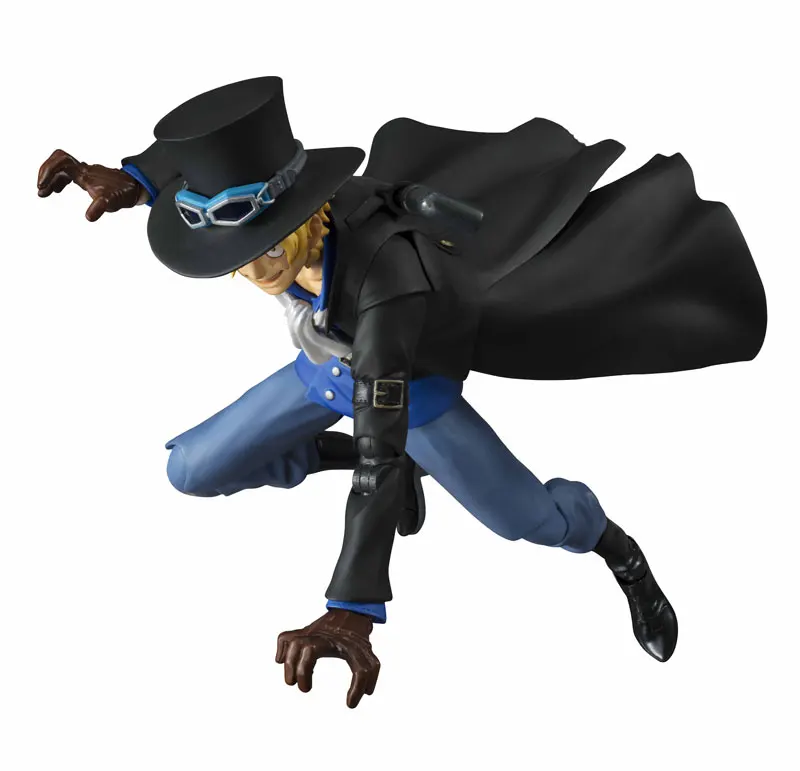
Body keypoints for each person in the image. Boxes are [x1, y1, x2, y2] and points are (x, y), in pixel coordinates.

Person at [37, 76, 767, 708]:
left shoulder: (387, 277)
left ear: (306, 210)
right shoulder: (260, 213)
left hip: (411, 396)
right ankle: (358, 459)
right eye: (229, 243)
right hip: (321, 374)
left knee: (528, 520)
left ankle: (617, 547)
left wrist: (350, 606)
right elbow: (209, 166)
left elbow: (381, 448)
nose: (252, 269)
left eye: (265, 242)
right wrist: (133, 180)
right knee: (189, 469)